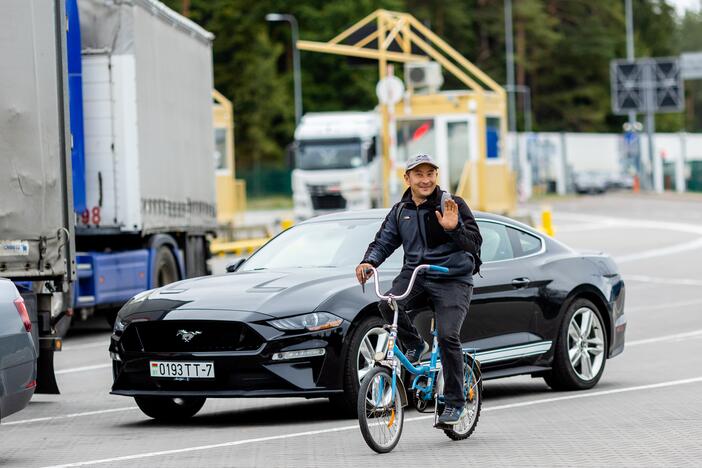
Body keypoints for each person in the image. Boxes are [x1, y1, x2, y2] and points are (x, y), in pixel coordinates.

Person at [355, 153, 482, 426]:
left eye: (430, 174)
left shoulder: (452, 204)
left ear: (436, 175)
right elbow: (384, 241)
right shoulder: (401, 211)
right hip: (416, 276)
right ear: (407, 178)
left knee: (448, 336)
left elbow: (474, 243)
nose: (425, 180)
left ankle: (455, 401)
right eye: (418, 174)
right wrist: (369, 261)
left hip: (452, 279)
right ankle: (414, 343)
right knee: (387, 304)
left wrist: (453, 228)